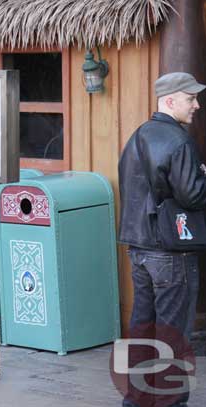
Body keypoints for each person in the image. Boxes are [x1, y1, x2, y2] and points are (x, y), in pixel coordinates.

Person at [118, 72, 206, 407]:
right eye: (190, 98)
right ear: (170, 101)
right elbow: (193, 197)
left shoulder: (137, 135)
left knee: (143, 328)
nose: (196, 105)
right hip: (170, 253)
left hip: (139, 249)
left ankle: (136, 399)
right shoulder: (179, 141)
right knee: (173, 333)